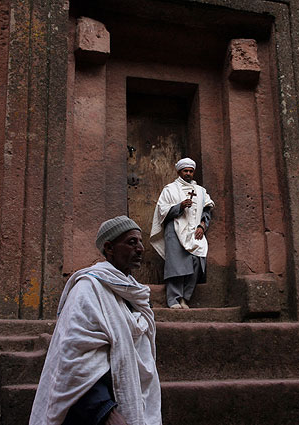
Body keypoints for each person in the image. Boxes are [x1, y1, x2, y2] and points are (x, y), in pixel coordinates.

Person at [29, 216, 161, 425]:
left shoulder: (135, 295)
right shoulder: (87, 289)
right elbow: (75, 357)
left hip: (131, 401)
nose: (140, 249)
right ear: (109, 248)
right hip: (92, 412)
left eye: (141, 242)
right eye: (131, 242)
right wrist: (106, 412)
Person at [150, 158, 215, 309]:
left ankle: (185, 298)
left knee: (196, 262)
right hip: (174, 230)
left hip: (195, 232)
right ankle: (173, 300)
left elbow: (206, 210)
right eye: (185, 171)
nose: (188, 174)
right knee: (177, 265)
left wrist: (202, 226)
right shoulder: (170, 189)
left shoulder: (200, 191)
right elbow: (162, 211)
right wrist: (180, 206)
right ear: (179, 172)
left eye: (190, 171)